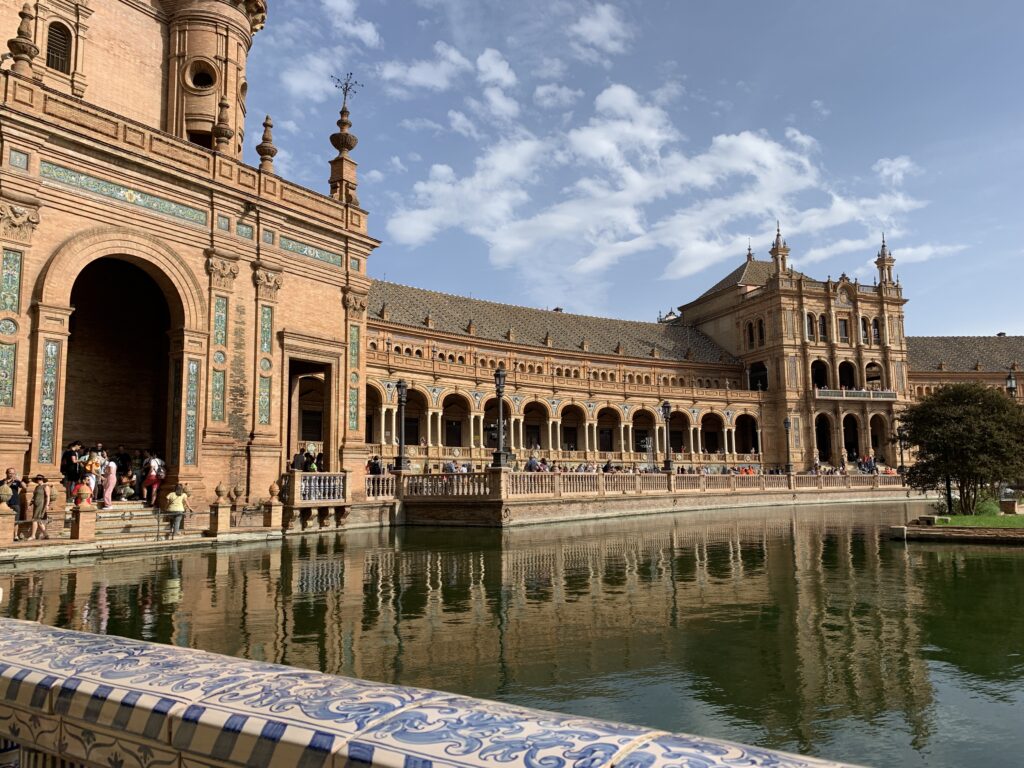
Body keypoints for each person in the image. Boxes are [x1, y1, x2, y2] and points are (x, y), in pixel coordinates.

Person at [3, 468, 24, 536]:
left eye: (13, 473)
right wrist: (11, 481)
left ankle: (15, 535)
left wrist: (19, 480)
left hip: (15, 502)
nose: (12, 475)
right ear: (6, 473)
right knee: (5, 519)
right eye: (10, 473)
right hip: (5, 503)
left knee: (16, 520)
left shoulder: (17, 482)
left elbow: (25, 487)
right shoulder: (3, 481)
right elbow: (5, 487)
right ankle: (6, 534)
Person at [29, 475, 50, 540]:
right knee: (39, 520)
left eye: (40, 479)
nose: (38, 480)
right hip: (36, 504)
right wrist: (30, 503)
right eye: (37, 479)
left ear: (43, 479)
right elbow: (34, 496)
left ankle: (33, 536)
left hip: (41, 504)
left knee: (35, 519)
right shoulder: (36, 487)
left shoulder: (45, 486)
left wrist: (47, 505)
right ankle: (46, 534)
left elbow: (48, 496)